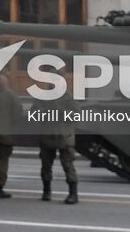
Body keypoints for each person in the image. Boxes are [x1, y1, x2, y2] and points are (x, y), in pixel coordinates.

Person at [37, 74, 79, 204]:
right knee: (46, 166)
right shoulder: (43, 96)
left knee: (68, 166)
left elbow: (76, 114)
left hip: (64, 136)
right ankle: (46, 191)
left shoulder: (68, 98)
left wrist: (61, 112)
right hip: (47, 136)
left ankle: (73, 193)